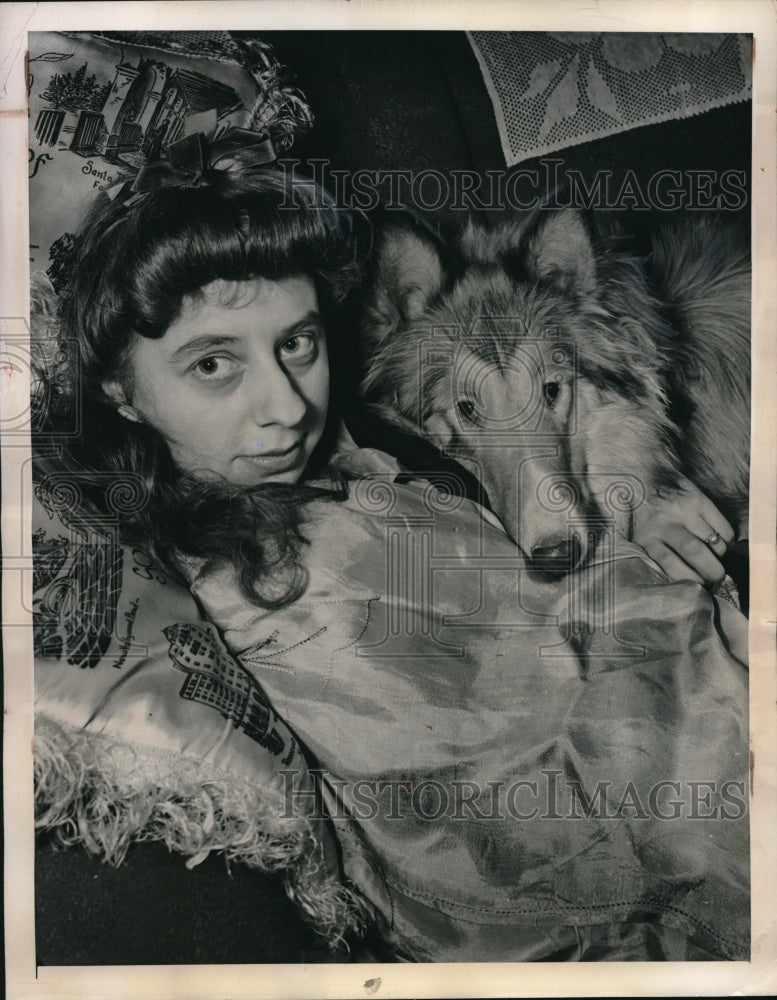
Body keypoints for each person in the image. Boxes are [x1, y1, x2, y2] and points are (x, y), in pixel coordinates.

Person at [34, 135, 750, 963]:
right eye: (213, 364)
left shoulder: (337, 457)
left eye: (296, 343)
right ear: (120, 389)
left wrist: (635, 499)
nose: (286, 407)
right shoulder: (275, 581)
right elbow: (541, 826)